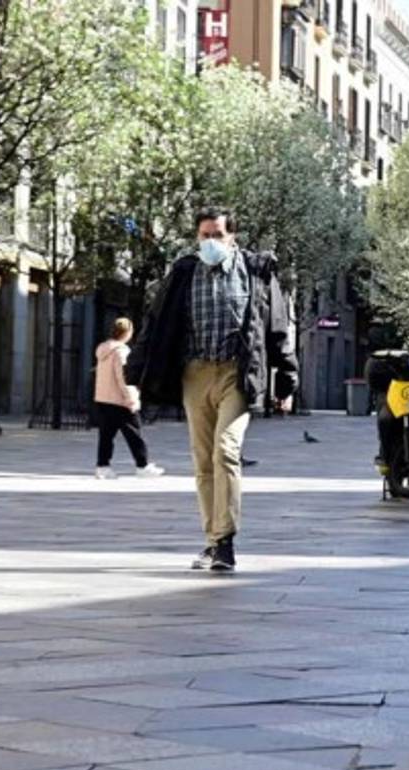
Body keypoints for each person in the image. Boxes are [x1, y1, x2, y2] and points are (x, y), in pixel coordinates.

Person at [127, 207, 299, 574]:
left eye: (217, 235)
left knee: (226, 450)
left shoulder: (255, 271)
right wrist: (134, 373)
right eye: (204, 235)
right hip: (195, 373)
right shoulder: (183, 273)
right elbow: (155, 324)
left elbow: (277, 327)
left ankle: (226, 540)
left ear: (232, 236)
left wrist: (287, 379)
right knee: (203, 460)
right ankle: (212, 540)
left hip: (236, 374)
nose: (210, 241)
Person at [93, 318, 164, 479]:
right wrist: (131, 399)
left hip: (103, 399)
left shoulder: (103, 350)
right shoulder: (121, 351)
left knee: (106, 436)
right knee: (134, 434)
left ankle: (103, 466)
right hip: (120, 400)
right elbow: (124, 377)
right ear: (127, 333)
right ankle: (142, 465)